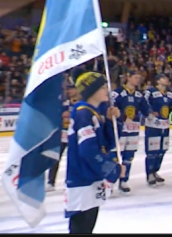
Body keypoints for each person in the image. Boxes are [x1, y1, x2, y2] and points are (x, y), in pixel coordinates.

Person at [64, 71, 125, 234]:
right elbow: (88, 151)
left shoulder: (93, 113)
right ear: (92, 90)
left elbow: (107, 143)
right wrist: (113, 169)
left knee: (87, 226)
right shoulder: (83, 113)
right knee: (82, 228)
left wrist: (114, 121)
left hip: (90, 179)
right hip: (82, 180)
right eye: (103, 86)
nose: (107, 90)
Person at [111, 71, 148, 193]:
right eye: (136, 77)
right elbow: (111, 108)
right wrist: (121, 116)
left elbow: (146, 108)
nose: (138, 80)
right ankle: (110, 181)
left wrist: (151, 113)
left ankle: (124, 180)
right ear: (128, 78)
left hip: (133, 128)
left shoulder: (139, 95)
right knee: (115, 156)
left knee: (129, 156)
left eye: (139, 77)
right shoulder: (117, 93)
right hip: (120, 129)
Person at [143, 75, 172, 185]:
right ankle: (150, 173)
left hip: (165, 125)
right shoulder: (150, 91)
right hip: (153, 125)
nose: (166, 79)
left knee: (162, 150)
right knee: (152, 150)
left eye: (167, 78)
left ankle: (155, 171)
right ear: (157, 81)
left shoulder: (170, 94)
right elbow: (144, 102)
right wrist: (150, 112)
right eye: (163, 78)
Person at [48, 85, 80, 191]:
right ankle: (50, 182)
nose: (69, 91)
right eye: (67, 89)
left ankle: (70, 181)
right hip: (62, 134)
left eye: (71, 89)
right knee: (55, 158)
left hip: (74, 134)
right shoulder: (64, 103)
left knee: (73, 159)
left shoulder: (81, 103)